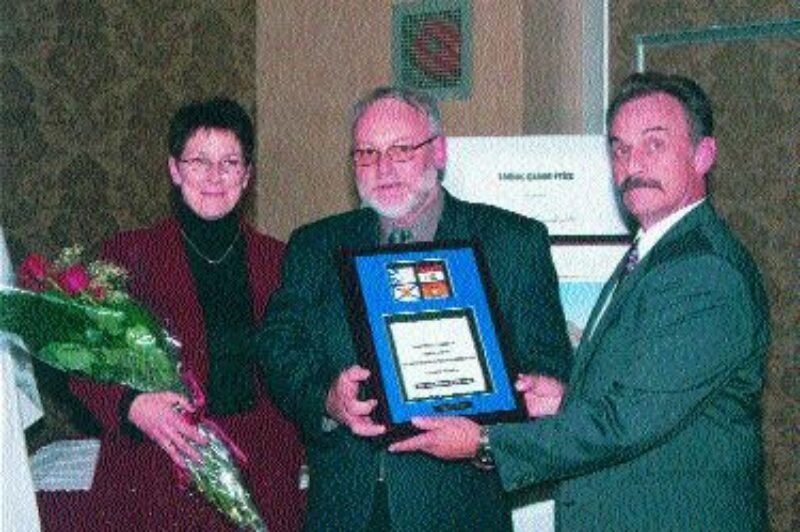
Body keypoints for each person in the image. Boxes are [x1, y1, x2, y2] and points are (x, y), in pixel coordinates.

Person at [390, 72, 770, 530]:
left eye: (654, 145)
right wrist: (567, 401)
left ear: (702, 154)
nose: (633, 165)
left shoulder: (702, 272)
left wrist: (485, 441)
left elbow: (627, 421)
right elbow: (650, 395)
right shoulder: (655, 251)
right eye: (620, 148)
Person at [254, 86, 572, 531]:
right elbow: (277, 346)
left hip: (459, 507)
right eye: (366, 153)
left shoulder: (512, 243)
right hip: (345, 510)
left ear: (438, 151)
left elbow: (549, 367)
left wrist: (486, 434)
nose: (382, 168)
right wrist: (327, 399)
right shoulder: (315, 244)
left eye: (401, 150)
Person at [58, 98, 305, 531]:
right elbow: (76, 355)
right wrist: (131, 407)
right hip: (159, 474)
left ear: (247, 175)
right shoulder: (128, 255)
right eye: (198, 161)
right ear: (174, 169)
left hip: (263, 475)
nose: (214, 176)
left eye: (230, 162)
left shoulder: (280, 260)